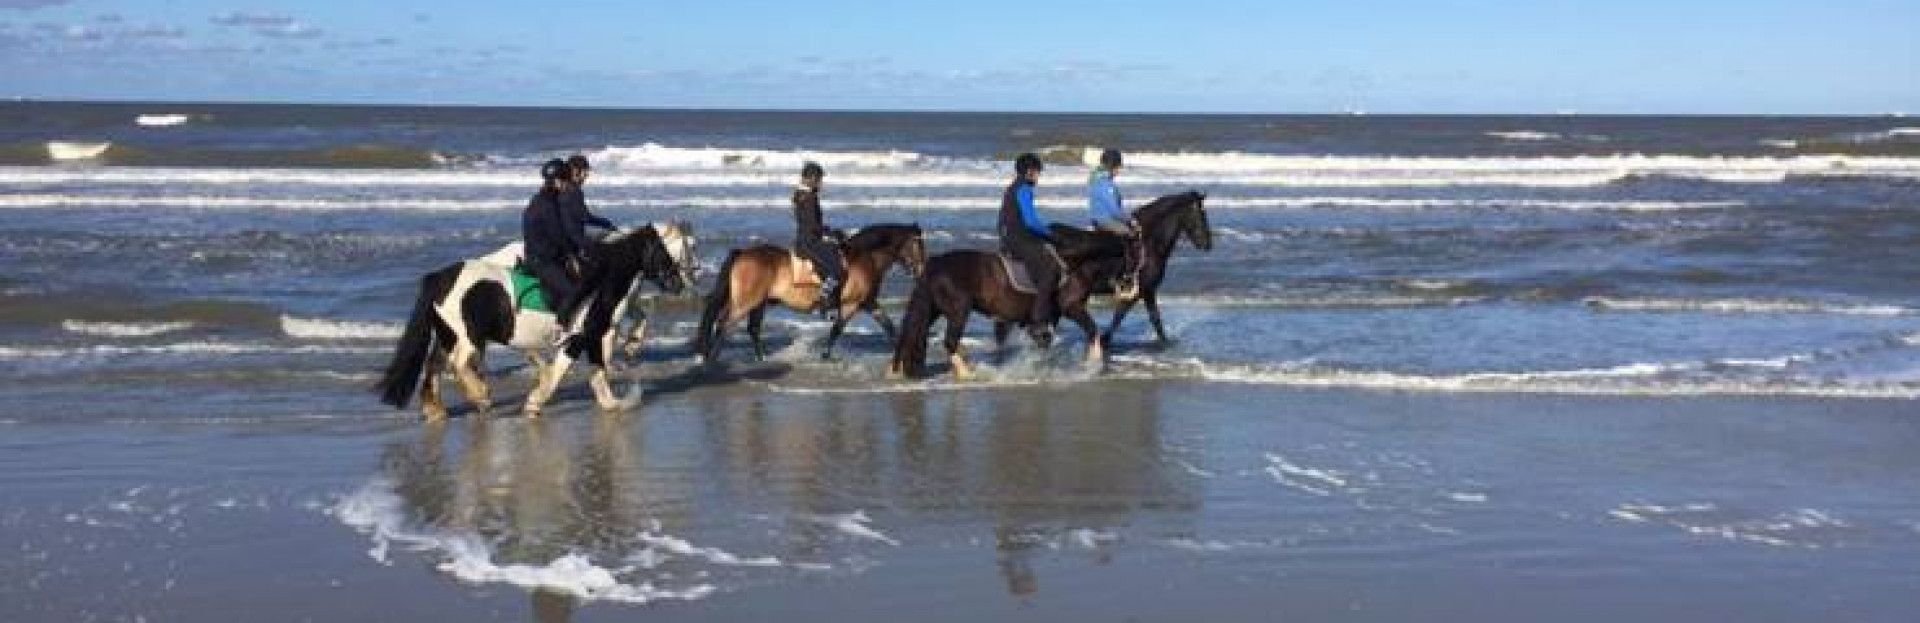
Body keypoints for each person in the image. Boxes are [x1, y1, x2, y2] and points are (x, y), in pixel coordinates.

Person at [521, 158, 591, 324]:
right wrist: (573, 255)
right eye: (566, 181)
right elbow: (559, 236)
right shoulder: (546, 205)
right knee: (573, 291)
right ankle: (561, 327)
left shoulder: (545, 199)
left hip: (546, 255)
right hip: (541, 261)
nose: (568, 185)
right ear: (558, 181)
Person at [998, 152, 1058, 342]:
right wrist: (1049, 233)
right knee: (1049, 271)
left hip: (1008, 237)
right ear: (1030, 172)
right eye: (1038, 172)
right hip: (1019, 239)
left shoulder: (1011, 188)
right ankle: (1038, 321)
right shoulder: (1024, 189)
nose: (1039, 177)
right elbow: (1031, 221)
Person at [791, 161, 845, 318]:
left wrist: (828, 232)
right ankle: (823, 301)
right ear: (811, 179)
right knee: (837, 270)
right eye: (819, 179)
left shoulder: (802, 195)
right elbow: (813, 225)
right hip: (809, 242)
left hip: (808, 238)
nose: (821, 183)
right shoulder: (808, 197)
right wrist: (831, 234)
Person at [1087, 148, 1134, 235]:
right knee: (1129, 233)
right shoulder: (1106, 184)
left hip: (1095, 218)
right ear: (1112, 166)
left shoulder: (1096, 179)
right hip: (1105, 220)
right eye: (1119, 167)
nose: (1119, 170)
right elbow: (1114, 210)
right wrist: (1130, 219)